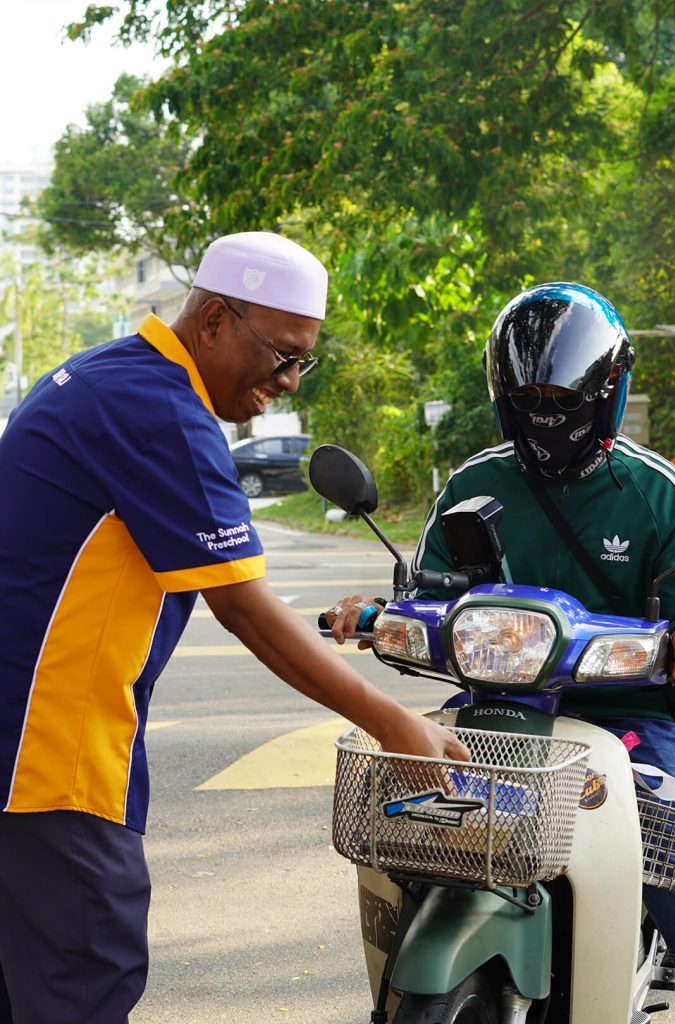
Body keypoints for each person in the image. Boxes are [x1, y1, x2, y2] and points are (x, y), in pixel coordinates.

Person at [0, 231, 469, 1024]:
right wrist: (392, 721)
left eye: (302, 362)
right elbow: (244, 607)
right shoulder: (162, 413)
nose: (288, 381)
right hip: (49, 759)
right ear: (214, 320)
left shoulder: (106, 375)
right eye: (281, 354)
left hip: (24, 750)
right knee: (87, 977)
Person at [327, 281, 675, 972]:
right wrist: (376, 613)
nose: (545, 416)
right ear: (501, 398)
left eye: (562, 400)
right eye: (528, 402)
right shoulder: (470, 486)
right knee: (407, 823)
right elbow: (426, 591)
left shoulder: (657, 495)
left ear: (604, 389)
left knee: (672, 850)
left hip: (629, 712)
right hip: (496, 707)